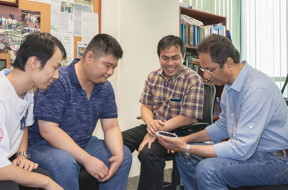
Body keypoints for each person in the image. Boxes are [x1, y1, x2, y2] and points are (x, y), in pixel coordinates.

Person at [158, 34, 288, 190]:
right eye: (204, 69)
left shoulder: (256, 89)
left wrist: (187, 146)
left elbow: (240, 149)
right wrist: (186, 140)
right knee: (185, 157)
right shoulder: (229, 86)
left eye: (210, 69)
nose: (205, 76)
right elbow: (223, 126)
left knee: (208, 170)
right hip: (252, 154)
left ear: (229, 63)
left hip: (276, 161)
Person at [28, 33, 132, 190]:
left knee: (124, 156)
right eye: (107, 65)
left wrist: (117, 155)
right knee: (65, 162)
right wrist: (87, 160)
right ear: (90, 57)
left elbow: (111, 126)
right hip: (44, 145)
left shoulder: (105, 87)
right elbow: (48, 130)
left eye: (114, 67)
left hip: (83, 142)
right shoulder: (58, 80)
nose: (110, 72)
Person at [122, 35, 204, 190]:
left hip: (181, 130)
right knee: (117, 141)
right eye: (165, 58)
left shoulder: (193, 80)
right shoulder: (153, 77)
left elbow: (187, 117)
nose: (170, 63)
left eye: (175, 58)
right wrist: (152, 125)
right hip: (156, 125)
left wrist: (156, 131)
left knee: (148, 153)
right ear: (159, 57)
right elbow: (146, 107)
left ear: (183, 56)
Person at [0, 32, 66, 190]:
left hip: (7, 161)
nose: (57, 76)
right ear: (35, 63)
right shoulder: (2, 96)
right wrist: (48, 183)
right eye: (54, 68)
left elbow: (24, 126)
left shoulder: (28, 91)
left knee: (43, 177)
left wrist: (22, 154)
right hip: (2, 168)